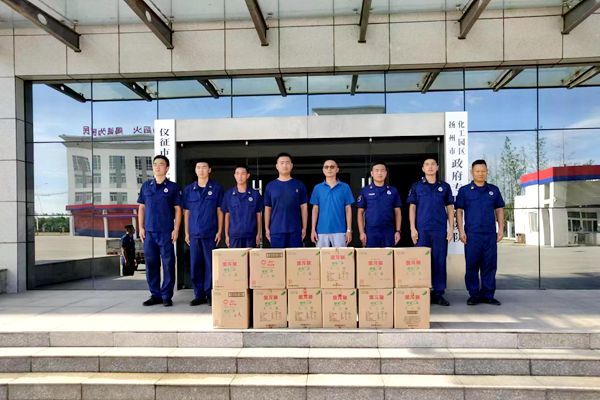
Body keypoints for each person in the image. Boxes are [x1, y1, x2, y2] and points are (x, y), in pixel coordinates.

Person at [455, 159, 505, 306]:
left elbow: (499, 210)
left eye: (483, 171)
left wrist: (501, 229)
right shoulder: (464, 191)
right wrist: (461, 231)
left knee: (489, 265)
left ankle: (488, 295)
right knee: (472, 265)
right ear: (472, 172)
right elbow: (459, 211)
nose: (480, 173)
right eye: (477, 171)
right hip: (472, 235)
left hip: (489, 234)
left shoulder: (494, 190)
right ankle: (474, 295)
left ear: (487, 172)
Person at [407, 158, 454, 306]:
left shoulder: (444, 187)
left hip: (440, 230)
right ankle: (423, 293)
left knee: (439, 261)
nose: (430, 167)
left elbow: (450, 208)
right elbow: (412, 208)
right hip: (422, 231)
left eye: (433, 164)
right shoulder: (417, 186)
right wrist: (412, 228)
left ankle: (438, 293)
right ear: (423, 168)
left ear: (437, 167)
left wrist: (451, 228)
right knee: (421, 262)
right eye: (427, 164)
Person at [137, 155, 182, 307]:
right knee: (151, 264)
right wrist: (141, 227)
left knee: (168, 264)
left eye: (161, 164)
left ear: (167, 168)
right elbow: (141, 207)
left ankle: (166, 295)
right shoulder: (146, 186)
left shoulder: (173, 187)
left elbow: (178, 209)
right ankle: (155, 294)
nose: (157, 167)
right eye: (155, 164)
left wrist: (176, 229)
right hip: (149, 232)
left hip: (166, 232)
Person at [183, 160, 224, 307]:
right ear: (195, 170)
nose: (201, 170)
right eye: (198, 167)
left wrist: (220, 231)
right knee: (195, 265)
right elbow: (186, 212)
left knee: (210, 265)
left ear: (209, 170)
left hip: (210, 233)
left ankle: (210, 293)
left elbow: (220, 211)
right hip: (194, 234)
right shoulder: (189, 190)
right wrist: (186, 232)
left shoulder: (217, 188)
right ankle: (198, 295)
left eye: (204, 167)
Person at [264, 153, 308, 248]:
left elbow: (304, 208)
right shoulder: (270, 186)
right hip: (276, 231)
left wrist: (304, 228)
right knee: (277, 257)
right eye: (282, 163)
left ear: (291, 165)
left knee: (295, 257)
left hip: (295, 230)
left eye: (287, 163)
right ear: (277, 166)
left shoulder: (299, 185)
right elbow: (267, 208)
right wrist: (267, 228)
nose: (285, 165)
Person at [356, 162, 402, 247]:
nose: (380, 173)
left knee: (388, 255)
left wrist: (398, 231)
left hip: (388, 231)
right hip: (371, 231)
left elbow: (398, 212)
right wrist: (362, 232)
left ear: (386, 173)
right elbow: (360, 213)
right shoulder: (365, 191)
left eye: (382, 170)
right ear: (372, 173)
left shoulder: (393, 191)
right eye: (377, 170)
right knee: (371, 255)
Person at [310, 159, 354, 247]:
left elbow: (348, 209)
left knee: (341, 256)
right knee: (321, 256)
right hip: (321, 230)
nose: (329, 169)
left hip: (340, 230)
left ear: (337, 169)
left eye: (332, 167)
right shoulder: (317, 188)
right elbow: (315, 209)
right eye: (326, 167)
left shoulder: (345, 187)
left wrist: (349, 230)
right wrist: (313, 229)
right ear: (323, 170)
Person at [222, 164, 263, 248]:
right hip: (234, 236)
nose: (240, 176)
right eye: (237, 173)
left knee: (250, 257)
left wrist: (259, 234)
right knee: (235, 256)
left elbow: (258, 215)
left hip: (251, 235)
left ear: (248, 175)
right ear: (234, 175)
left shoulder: (255, 194)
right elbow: (227, 215)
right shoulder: (228, 194)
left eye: (243, 173)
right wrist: (226, 235)